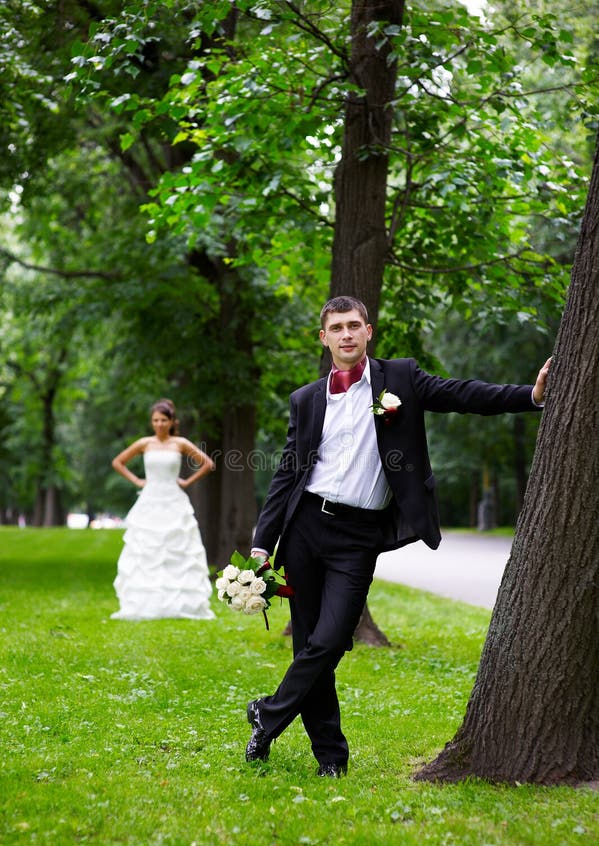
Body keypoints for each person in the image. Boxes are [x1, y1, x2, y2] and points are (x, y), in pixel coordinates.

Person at [246, 296, 551, 777]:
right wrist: (263, 542)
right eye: (336, 328)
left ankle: (267, 714)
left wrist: (529, 396)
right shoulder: (306, 399)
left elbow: (462, 394)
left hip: (358, 535)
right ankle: (331, 759)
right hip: (305, 528)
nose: (346, 335)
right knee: (309, 644)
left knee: (329, 641)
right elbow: (289, 471)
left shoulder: (402, 379)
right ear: (323, 338)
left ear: (369, 331)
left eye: (354, 326)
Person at [111, 398, 216, 621]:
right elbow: (118, 462)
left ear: (172, 422)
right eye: (155, 420)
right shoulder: (144, 443)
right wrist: (137, 481)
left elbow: (208, 463)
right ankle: (145, 603)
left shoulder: (180, 443)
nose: (159, 424)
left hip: (173, 499)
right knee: (147, 550)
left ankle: (181, 603)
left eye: (163, 420)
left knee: (177, 550)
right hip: (150, 500)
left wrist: (187, 482)